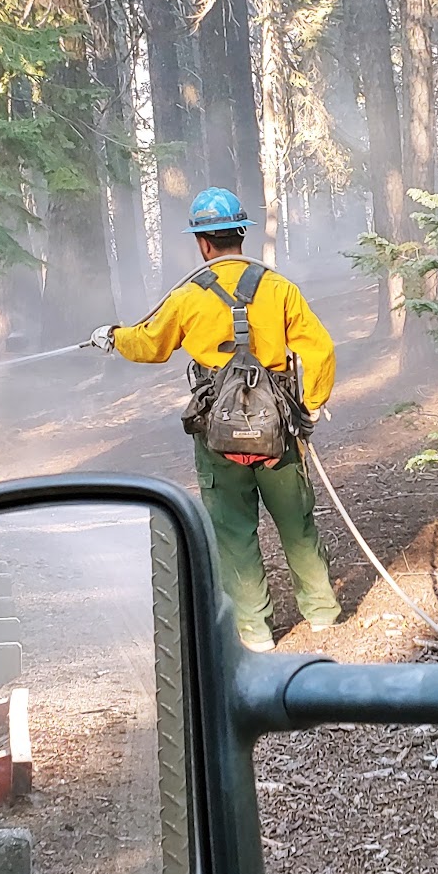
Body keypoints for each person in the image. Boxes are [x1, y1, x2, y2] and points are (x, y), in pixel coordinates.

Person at [90, 187, 341, 651]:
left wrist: (112, 337)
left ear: (203, 243)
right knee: (296, 519)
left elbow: (150, 343)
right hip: (278, 427)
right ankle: (322, 612)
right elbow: (319, 348)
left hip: (218, 430)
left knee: (231, 529)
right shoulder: (279, 287)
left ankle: (254, 630)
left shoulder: (188, 296)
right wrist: (309, 405)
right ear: (240, 234)